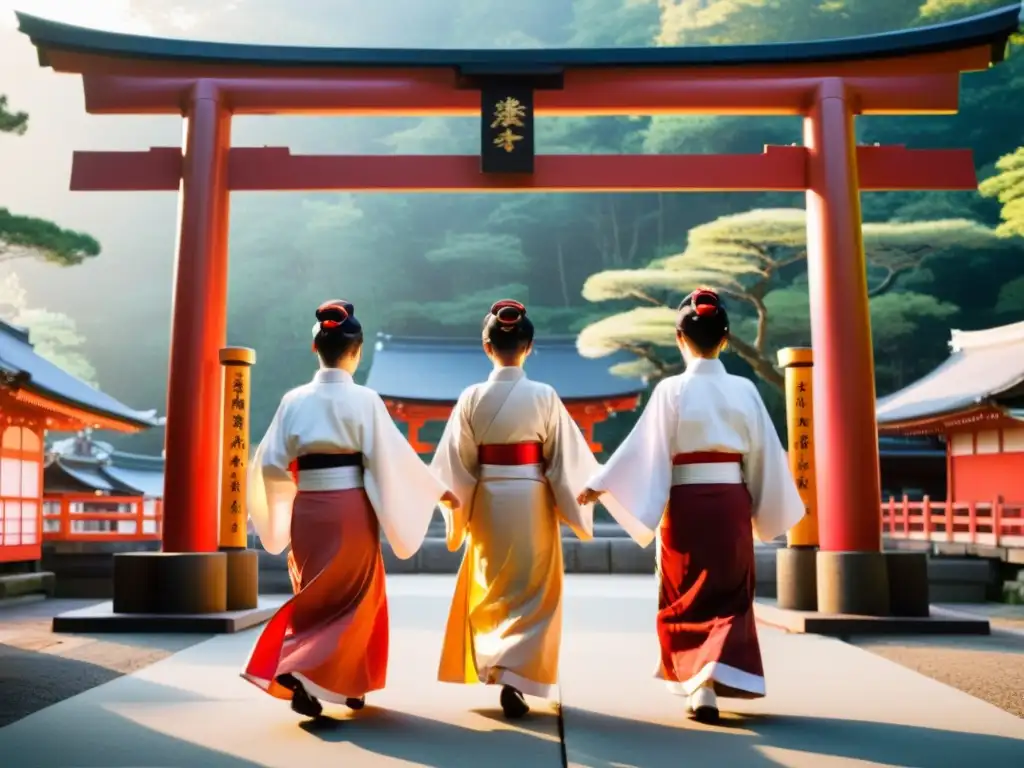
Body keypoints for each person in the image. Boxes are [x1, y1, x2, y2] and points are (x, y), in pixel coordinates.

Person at [577, 287, 805, 724]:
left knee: (685, 592)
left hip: (684, 504)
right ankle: (712, 677)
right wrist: (767, 508)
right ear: (725, 339)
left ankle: (698, 684)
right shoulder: (745, 391)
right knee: (729, 593)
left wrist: (601, 484)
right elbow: (764, 456)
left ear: (680, 339)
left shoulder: (671, 390)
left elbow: (642, 449)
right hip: (730, 503)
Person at [241, 299, 460, 719]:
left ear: (315, 349)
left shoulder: (293, 400)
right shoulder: (365, 400)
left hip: (307, 511)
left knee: (314, 598)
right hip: (351, 510)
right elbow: (392, 459)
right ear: (356, 351)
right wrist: (436, 491)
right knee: (359, 598)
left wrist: (283, 507)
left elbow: (268, 464)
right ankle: (298, 667)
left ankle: (342, 686)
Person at [431, 299, 606, 719]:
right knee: (534, 589)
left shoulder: (472, 396)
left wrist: (454, 499)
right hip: (532, 499)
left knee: (492, 587)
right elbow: (566, 460)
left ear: (486, 346)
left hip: (489, 499)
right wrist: (587, 491)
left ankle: (496, 662)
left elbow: (455, 463)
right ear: (528, 346)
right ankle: (519, 676)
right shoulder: (544, 396)